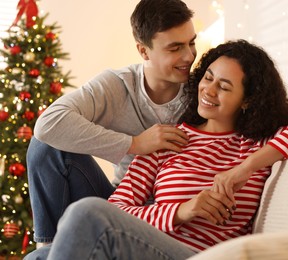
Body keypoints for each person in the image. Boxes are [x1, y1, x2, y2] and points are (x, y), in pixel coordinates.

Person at [25, 39, 288, 260]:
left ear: (249, 100)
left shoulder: (261, 143)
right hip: (148, 246)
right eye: (208, 78)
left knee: (85, 212)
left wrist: (245, 168)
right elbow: (118, 208)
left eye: (224, 87)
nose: (209, 91)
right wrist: (183, 210)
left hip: (200, 255)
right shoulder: (170, 140)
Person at [26, 0, 196, 245]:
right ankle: (50, 246)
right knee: (45, 146)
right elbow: (48, 124)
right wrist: (135, 143)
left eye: (191, 43)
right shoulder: (118, 85)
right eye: (175, 48)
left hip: (169, 214)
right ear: (143, 50)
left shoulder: (202, 91)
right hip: (121, 203)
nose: (189, 56)